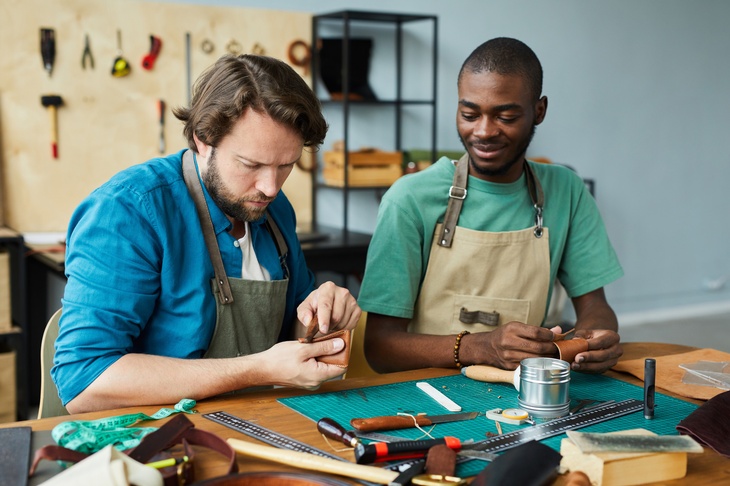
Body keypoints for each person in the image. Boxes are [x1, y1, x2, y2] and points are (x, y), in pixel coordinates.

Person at [53, 54, 361, 413]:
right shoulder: (128, 212)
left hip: (261, 421)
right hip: (157, 438)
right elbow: (84, 381)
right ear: (202, 139)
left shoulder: (275, 211)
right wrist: (255, 370)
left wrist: (322, 316)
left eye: (285, 165)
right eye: (251, 164)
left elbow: (295, 329)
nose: (270, 187)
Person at [358, 37, 623, 375]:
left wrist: (594, 339)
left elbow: (595, 306)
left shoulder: (565, 191)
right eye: (469, 114)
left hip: (522, 392)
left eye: (506, 116)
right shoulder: (409, 199)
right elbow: (380, 348)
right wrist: (479, 347)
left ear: (538, 111)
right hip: (426, 393)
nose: (483, 131)